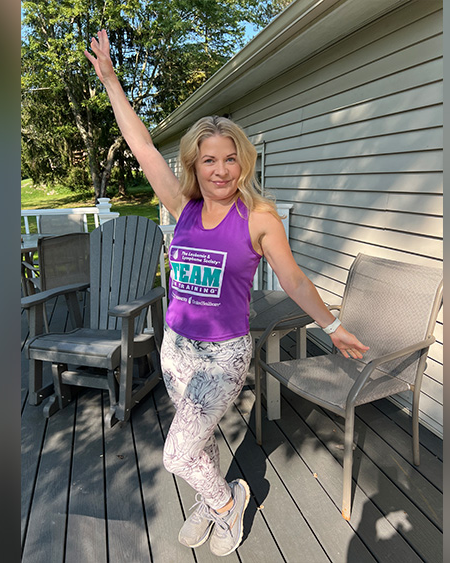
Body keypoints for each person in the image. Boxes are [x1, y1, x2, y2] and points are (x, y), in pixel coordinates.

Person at [85, 29, 369, 557]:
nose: (220, 170)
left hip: (223, 354)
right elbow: (142, 145)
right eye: (208, 160)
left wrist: (333, 326)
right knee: (201, 440)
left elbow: (295, 280)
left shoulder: (259, 218)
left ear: (244, 163)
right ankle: (213, 500)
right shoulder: (181, 204)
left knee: (176, 453)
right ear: (194, 163)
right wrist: (111, 82)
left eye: (230, 159)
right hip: (177, 347)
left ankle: (227, 501)